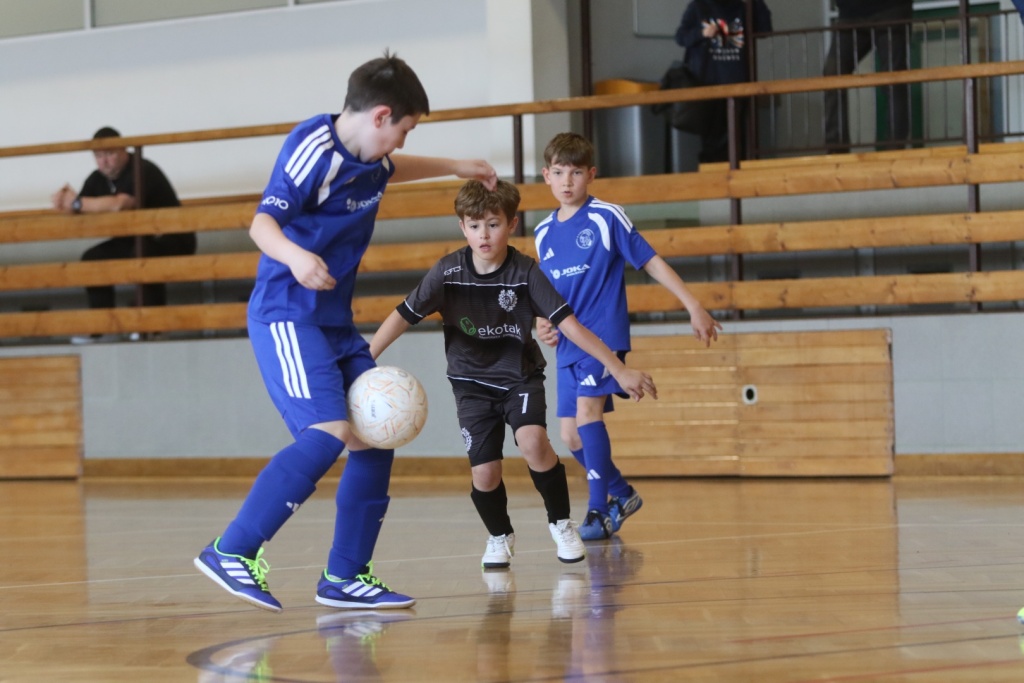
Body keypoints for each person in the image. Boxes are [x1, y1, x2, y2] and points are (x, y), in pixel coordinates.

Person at [193, 50, 498, 613]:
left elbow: (393, 168)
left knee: (376, 437)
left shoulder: (372, 157)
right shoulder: (313, 148)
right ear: (381, 116)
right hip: (288, 313)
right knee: (328, 431)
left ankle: (345, 575)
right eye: (404, 129)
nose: (403, 141)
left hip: (333, 321)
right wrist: (296, 258)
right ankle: (232, 549)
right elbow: (262, 223)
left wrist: (457, 165)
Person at [369, 179, 658, 571]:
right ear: (462, 227)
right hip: (470, 386)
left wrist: (618, 368)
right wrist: (366, 358)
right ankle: (499, 535)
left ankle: (561, 523)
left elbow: (571, 326)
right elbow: (403, 315)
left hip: (519, 377)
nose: (484, 234)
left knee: (533, 442)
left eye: (493, 224)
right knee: (485, 473)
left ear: (511, 224)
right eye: (475, 226)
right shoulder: (448, 272)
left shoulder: (525, 272)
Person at [534, 132, 722, 540]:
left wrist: (692, 305)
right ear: (546, 176)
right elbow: (546, 293)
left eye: (576, 173)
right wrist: (541, 321)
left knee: (588, 414)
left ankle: (598, 510)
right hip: (568, 344)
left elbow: (650, 261)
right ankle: (622, 492)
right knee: (569, 435)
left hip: (603, 336)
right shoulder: (543, 232)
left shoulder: (607, 217)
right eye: (559, 172)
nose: (567, 181)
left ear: (591, 175)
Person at [51, 126, 196, 311]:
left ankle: (152, 320)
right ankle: (102, 322)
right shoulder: (97, 178)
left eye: (110, 154)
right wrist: (63, 201)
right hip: (134, 239)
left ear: (123, 150)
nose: (104, 162)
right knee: (92, 259)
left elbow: (120, 204)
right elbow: (79, 206)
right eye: (98, 156)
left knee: (142, 253)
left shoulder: (142, 169)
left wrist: (76, 203)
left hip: (172, 239)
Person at [674, 0, 773, 163]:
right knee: (713, 140)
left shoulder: (743, 6)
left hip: (738, 85)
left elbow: (764, 29)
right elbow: (680, 37)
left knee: (738, 138)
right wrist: (702, 33)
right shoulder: (699, 6)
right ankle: (715, 174)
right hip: (707, 85)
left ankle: (735, 172)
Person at [823, 0, 913, 153]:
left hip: (889, 8)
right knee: (832, 72)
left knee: (893, 77)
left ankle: (895, 147)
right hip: (851, 13)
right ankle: (836, 148)